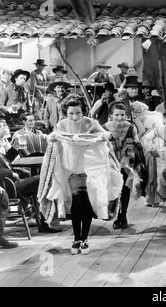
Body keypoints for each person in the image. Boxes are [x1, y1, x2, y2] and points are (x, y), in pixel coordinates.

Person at [38, 94, 123, 255]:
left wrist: (99, 136)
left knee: (87, 204)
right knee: (77, 203)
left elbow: (106, 135)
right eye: (71, 113)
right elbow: (52, 139)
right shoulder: (62, 124)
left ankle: (84, 239)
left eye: (78, 113)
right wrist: (52, 138)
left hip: (91, 169)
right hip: (71, 170)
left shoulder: (91, 123)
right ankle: (76, 238)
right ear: (66, 112)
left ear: (83, 111)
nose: (75, 116)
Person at [103, 102, 147, 230]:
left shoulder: (130, 127)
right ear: (111, 115)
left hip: (125, 162)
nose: (120, 117)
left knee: (125, 188)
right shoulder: (104, 127)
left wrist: (132, 145)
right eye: (116, 115)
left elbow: (137, 143)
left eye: (122, 115)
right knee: (114, 189)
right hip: (110, 163)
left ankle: (123, 215)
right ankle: (115, 214)